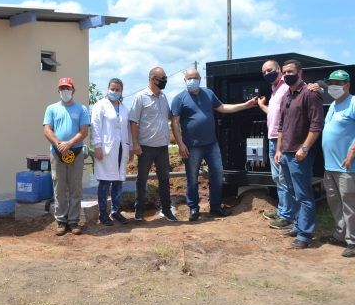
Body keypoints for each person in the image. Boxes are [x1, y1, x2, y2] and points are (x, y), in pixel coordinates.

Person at [171, 68, 258, 221]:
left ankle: (216, 206)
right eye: (189, 78)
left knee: (217, 174)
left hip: (211, 144)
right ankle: (193, 208)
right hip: (191, 146)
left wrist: (245, 105)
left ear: (200, 78)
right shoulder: (179, 99)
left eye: (195, 77)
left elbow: (223, 107)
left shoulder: (208, 93)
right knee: (192, 178)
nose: (193, 80)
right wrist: (180, 144)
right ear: (184, 80)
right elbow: (175, 122)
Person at [258, 60, 322, 229]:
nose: (267, 74)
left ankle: (292, 220)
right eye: (264, 72)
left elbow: (315, 121)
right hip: (278, 142)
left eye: (270, 70)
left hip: (294, 146)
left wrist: (319, 86)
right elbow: (278, 118)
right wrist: (262, 106)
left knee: (294, 187)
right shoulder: (279, 91)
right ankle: (288, 215)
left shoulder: (295, 89)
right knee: (281, 180)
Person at [321, 69, 355, 257]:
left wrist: (353, 150)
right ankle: (340, 234)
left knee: (351, 204)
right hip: (331, 167)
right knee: (335, 202)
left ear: (347, 85)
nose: (334, 86)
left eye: (338, 83)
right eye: (331, 83)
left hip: (349, 166)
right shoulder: (333, 105)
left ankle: (354, 241)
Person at [274, 59, 324, 249]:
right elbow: (281, 126)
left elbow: (316, 125)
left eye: (290, 72)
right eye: (284, 72)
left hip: (299, 154)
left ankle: (305, 234)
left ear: (300, 72)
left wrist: (305, 148)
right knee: (293, 193)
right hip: (285, 153)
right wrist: (278, 149)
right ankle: (297, 225)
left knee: (303, 195)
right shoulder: (288, 95)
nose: (287, 75)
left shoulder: (310, 94)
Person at [129, 67, 177, 222]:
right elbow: (133, 121)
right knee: (142, 180)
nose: (164, 81)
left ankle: (167, 210)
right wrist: (135, 143)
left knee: (164, 179)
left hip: (162, 147)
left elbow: (170, 117)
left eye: (165, 77)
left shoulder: (163, 97)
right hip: (145, 147)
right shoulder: (140, 97)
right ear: (152, 79)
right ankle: (139, 211)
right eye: (161, 78)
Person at [43, 77, 90, 236]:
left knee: (75, 187)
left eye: (67, 88)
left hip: (75, 152)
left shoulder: (81, 109)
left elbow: (84, 131)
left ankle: (74, 221)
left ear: (73, 90)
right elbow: (47, 129)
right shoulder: (51, 109)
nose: (65, 91)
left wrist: (68, 144)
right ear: (58, 91)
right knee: (59, 187)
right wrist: (59, 144)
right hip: (57, 153)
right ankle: (61, 221)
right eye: (62, 88)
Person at [91, 78, 132, 225]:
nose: (114, 92)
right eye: (112, 89)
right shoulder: (100, 106)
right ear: (108, 89)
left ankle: (116, 211)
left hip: (121, 148)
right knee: (104, 182)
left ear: (121, 91)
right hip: (106, 149)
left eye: (117, 90)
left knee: (118, 182)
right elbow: (95, 126)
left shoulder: (124, 108)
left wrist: (130, 147)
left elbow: (128, 129)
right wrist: (97, 146)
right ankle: (103, 213)